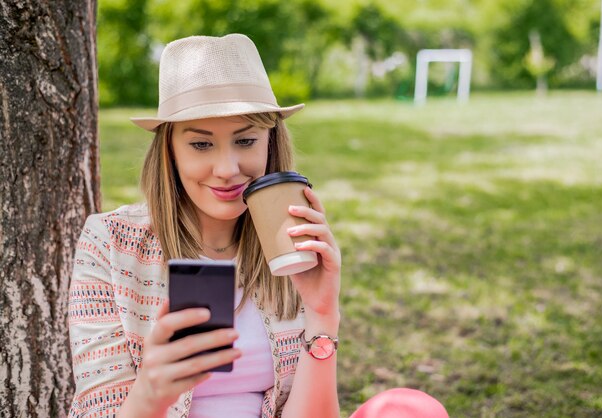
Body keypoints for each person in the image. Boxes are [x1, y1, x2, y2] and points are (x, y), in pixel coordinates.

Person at [67, 34, 449, 418]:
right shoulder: (111, 242)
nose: (227, 169)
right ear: (170, 150)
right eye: (201, 144)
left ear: (269, 143)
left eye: (245, 140)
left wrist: (322, 313)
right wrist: (151, 390)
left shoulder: (292, 243)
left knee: (412, 410)